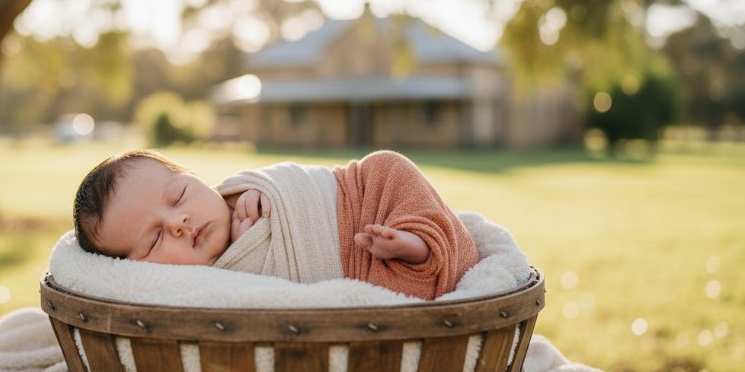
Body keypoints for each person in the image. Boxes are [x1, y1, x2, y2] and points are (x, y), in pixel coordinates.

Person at [73, 149, 478, 300]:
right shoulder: (199, 289)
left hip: (361, 197)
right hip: (363, 271)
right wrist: (247, 252)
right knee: (392, 285)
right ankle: (411, 256)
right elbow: (263, 297)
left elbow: (300, 183)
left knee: (388, 166)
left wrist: (262, 197)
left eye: (178, 196)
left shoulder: (240, 192)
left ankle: (419, 241)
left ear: (197, 177)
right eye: (154, 239)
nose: (179, 222)